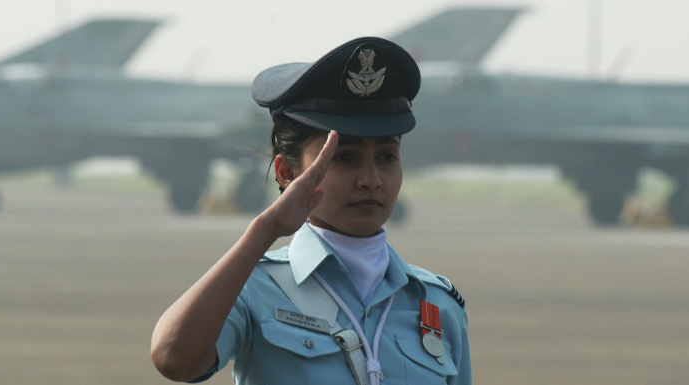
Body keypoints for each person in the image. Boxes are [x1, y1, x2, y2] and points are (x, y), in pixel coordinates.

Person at [151, 36, 471, 385]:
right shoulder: (252, 290)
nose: (371, 179)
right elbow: (173, 358)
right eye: (343, 157)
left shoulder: (437, 306)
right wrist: (266, 228)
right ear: (287, 172)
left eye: (386, 156)